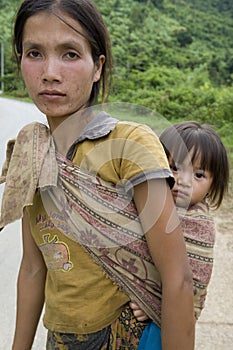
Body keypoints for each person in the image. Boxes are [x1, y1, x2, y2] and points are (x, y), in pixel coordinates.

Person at [0, 1, 195, 349]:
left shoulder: (129, 145)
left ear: (97, 67)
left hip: (124, 336)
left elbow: (177, 279)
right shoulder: (32, 152)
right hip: (60, 339)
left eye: (70, 54)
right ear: (20, 63)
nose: (50, 72)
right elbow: (32, 269)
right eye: (34, 53)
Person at [137, 121, 230, 349]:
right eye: (174, 168)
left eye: (198, 174)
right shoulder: (150, 203)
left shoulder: (199, 224)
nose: (183, 181)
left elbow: (193, 284)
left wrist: (152, 304)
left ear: (213, 183)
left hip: (166, 321)